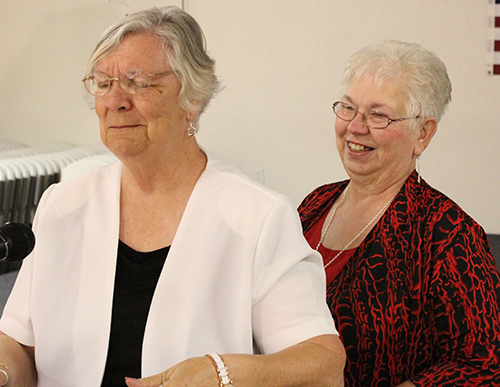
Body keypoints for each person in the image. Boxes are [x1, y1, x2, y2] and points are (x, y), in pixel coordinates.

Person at [0, 6, 345, 387]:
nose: (115, 101)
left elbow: (323, 363)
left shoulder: (256, 215)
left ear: (192, 97)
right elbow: (19, 345)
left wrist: (221, 373)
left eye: (139, 83)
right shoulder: (63, 205)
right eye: (102, 83)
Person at [298, 40, 500, 386]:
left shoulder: (448, 233)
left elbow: (482, 364)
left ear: (423, 133)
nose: (355, 127)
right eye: (348, 108)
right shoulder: (314, 204)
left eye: (378, 115)